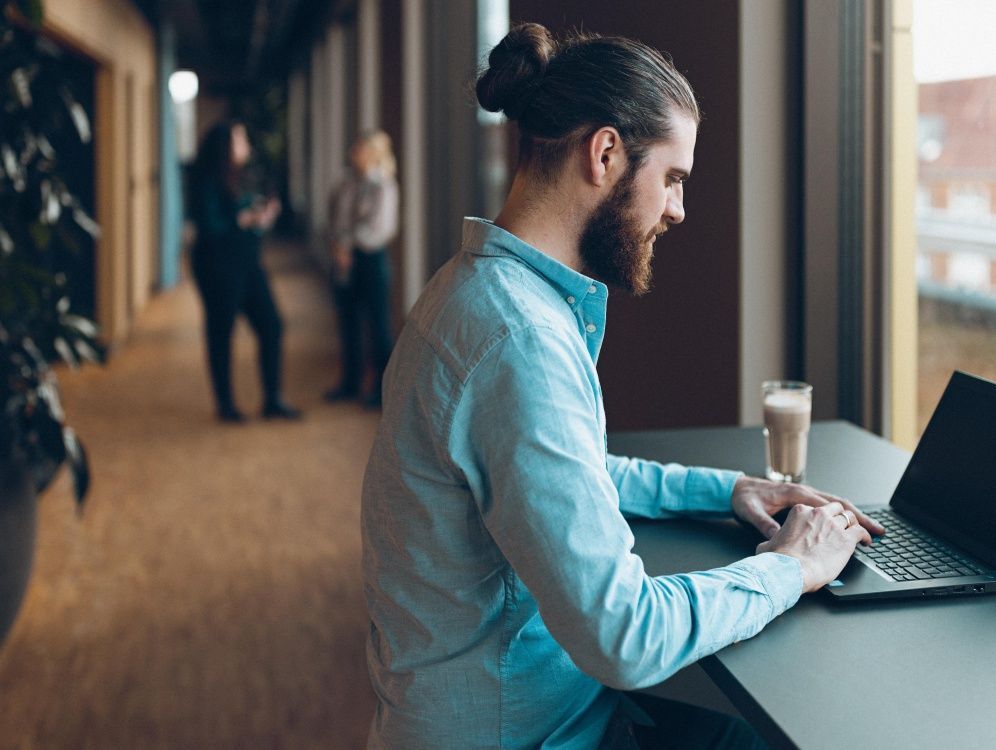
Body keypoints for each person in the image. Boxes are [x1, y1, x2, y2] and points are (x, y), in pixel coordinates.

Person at [361, 23, 884, 749]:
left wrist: (727, 491)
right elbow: (624, 637)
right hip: (527, 731)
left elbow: (558, 472)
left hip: (516, 707)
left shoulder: (475, 291)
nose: (677, 210)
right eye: (671, 178)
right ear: (604, 153)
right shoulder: (522, 342)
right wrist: (790, 568)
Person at [188, 120, 301, 423]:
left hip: (247, 263)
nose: (246, 145)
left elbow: (244, 221)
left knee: (272, 325)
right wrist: (246, 219)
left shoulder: (241, 176)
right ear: (225, 146)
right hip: (216, 267)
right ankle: (226, 405)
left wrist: (261, 219)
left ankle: (273, 399)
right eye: (240, 140)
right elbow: (211, 227)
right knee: (221, 333)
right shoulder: (206, 180)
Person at [324, 131, 400, 409]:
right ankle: (350, 382)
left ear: (372, 153)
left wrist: (350, 245)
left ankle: (381, 390)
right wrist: (338, 246)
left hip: (370, 258)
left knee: (378, 324)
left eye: (359, 148)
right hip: (343, 258)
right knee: (348, 321)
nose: (353, 152)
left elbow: (382, 228)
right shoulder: (345, 183)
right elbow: (334, 217)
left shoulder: (384, 186)